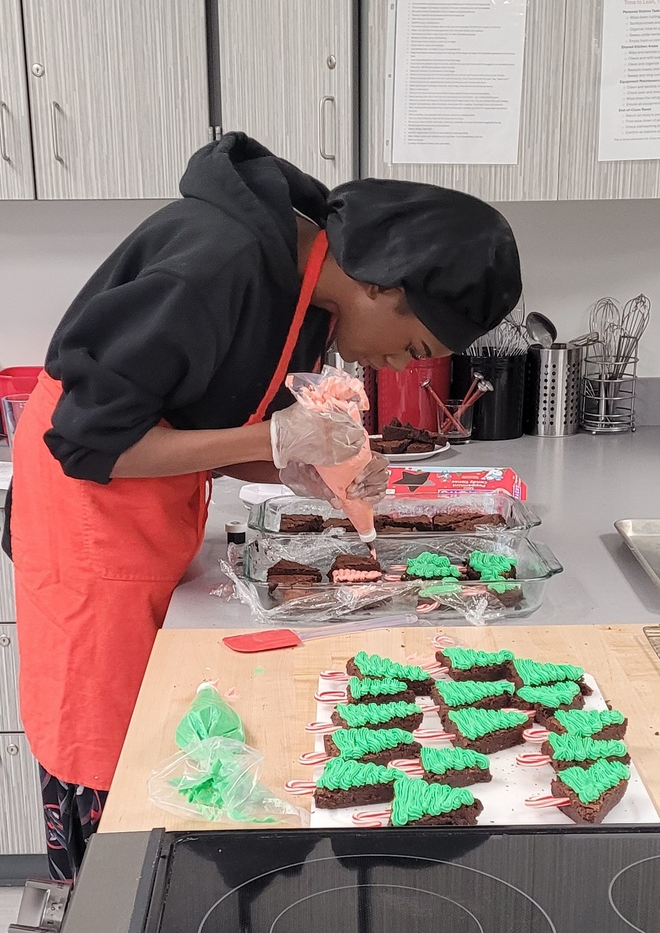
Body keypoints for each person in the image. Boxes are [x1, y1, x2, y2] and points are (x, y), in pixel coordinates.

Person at [3, 132, 521, 880]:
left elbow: (198, 425)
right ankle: (103, 893)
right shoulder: (217, 260)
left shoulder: (311, 288)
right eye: (412, 348)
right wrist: (272, 436)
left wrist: (303, 469)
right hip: (89, 514)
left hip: (152, 502)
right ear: (386, 286)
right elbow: (91, 443)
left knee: (164, 731)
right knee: (109, 744)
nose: (399, 366)